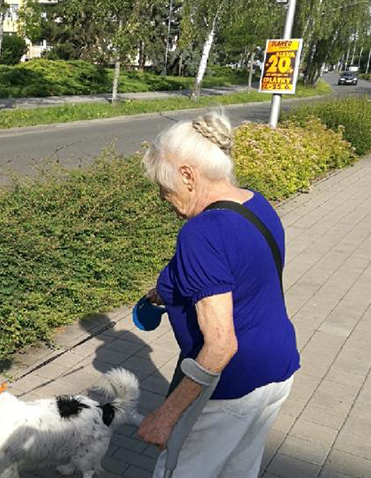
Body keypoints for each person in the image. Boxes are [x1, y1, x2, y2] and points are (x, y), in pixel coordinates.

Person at [136, 112, 300, 478]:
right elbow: (238, 273)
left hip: (232, 387)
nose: (163, 197)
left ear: (188, 176)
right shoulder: (256, 204)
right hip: (276, 372)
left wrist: (167, 415)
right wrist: (163, 291)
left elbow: (221, 344)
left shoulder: (202, 232)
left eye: (164, 187)